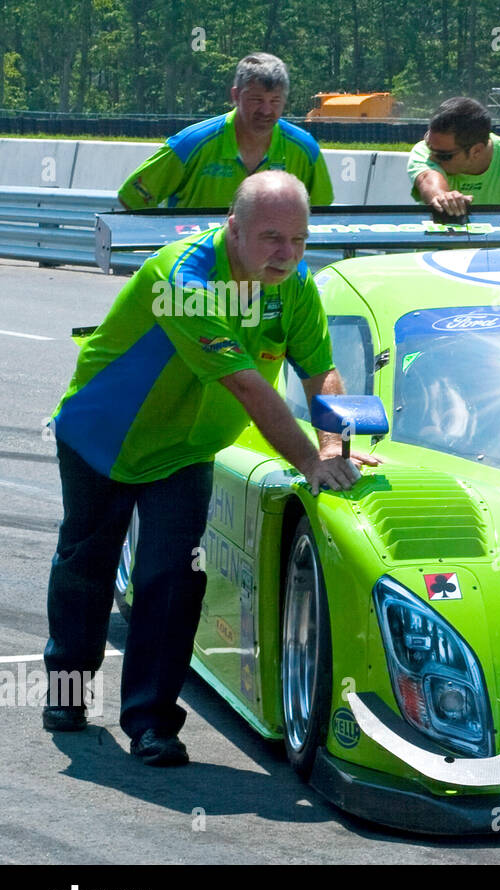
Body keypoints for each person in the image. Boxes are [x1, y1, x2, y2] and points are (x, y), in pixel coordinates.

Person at [44, 171, 374, 767]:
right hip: (104, 439)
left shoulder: (293, 282)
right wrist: (305, 459)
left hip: (186, 451)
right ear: (232, 228)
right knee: (86, 565)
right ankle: (66, 693)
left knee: (171, 579)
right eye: (272, 238)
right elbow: (246, 385)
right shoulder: (185, 280)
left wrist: (333, 446)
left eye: (299, 240)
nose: (288, 255)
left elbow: (320, 372)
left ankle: (150, 722)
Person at [118, 53, 332, 210]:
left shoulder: (305, 150)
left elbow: (324, 217)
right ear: (235, 95)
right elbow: (133, 197)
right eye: (256, 99)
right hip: (199, 269)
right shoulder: (191, 144)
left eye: (275, 101)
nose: (266, 110)